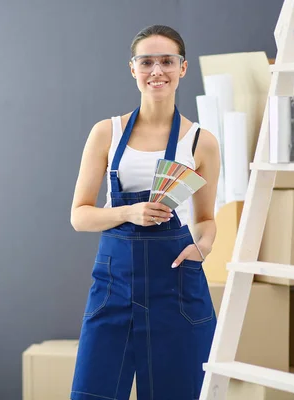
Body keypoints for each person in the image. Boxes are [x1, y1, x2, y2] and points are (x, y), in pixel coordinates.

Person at [69, 25, 220, 400]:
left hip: (176, 288)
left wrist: (203, 247)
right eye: (147, 61)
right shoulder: (107, 133)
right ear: (132, 68)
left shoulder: (202, 142)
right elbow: (80, 216)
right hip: (114, 286)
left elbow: (205, 219)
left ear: (182, 68)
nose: (157, 71)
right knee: (95, 392)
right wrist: (130, 212)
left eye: (167, 61)